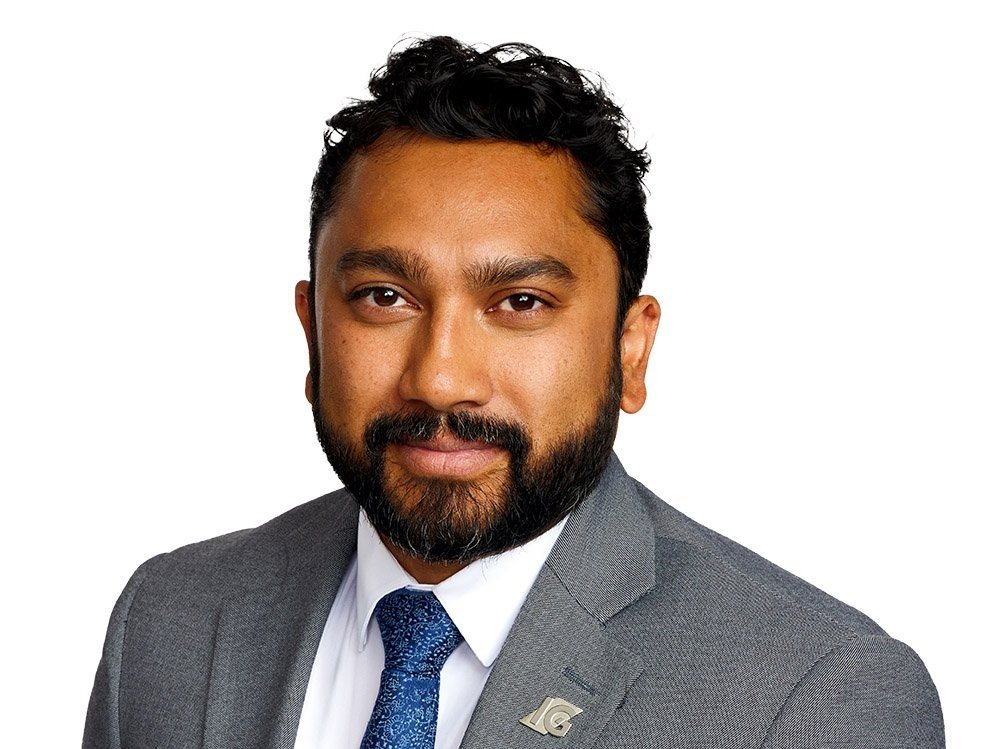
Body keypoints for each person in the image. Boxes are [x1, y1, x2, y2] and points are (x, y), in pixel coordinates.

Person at [83, 36, 944, 748]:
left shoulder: (817, 696)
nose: (440, 376)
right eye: (385, 297)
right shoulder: (170, 620)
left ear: (629, 348)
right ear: (312, 328)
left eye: (519, 303)